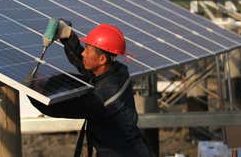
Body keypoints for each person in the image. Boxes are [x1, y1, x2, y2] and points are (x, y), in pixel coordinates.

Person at [29, 22, 150, 157]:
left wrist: (31, 90)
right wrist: (69, 38)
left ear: (102, 58)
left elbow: (59, 108)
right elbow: (85, 65)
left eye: (87, 49)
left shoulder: (103, 97)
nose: (84, 53)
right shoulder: (117, 72)